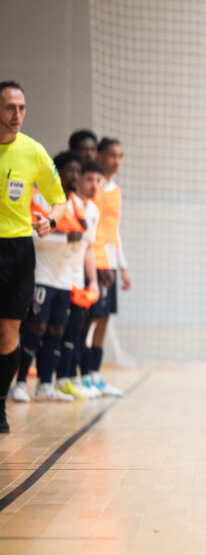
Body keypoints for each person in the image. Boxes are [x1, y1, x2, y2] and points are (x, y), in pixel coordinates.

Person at [0, 81, 67, 432]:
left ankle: (0, 403)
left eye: (22, 108)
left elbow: (60, 198)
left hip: (18, 251)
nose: (17, 115)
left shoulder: (34, 152)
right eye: (11, 107)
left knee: (8, 335)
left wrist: (51, 220)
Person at [9, 152, 93, 402]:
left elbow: (82, 241)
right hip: (42, 274)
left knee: (57, 329)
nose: (75, 177)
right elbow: (32, 235)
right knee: (36, 326)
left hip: (64, 278)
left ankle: (46, 384)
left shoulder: (76, 203)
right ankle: (21, 382)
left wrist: (73, 243)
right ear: (57, 173)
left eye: (78, 172)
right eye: (70, 171)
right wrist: (65, 239)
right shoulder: (40, 199)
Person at [81, 137, 129, 397]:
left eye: (120, 156)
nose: (117, 161)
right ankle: (82, 374)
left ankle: (95, 375)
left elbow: (115, 230)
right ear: (100, 155)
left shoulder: (116, 190)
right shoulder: (92, 187)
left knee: (103, 318)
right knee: (87, 320)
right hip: (92, 259)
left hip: (109, 262)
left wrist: (123, 266)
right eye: (112, 155)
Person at [56, 159, 102, 400]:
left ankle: (70, 378)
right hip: (60, 276)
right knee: (55, 331)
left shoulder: (93, 210)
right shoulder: (66, 204)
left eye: (98, 181)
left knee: (75, 330)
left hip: (78, 279)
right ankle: (54, 380)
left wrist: (92, 281)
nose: (94, 185)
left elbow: (89, 248)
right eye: (89, 179)